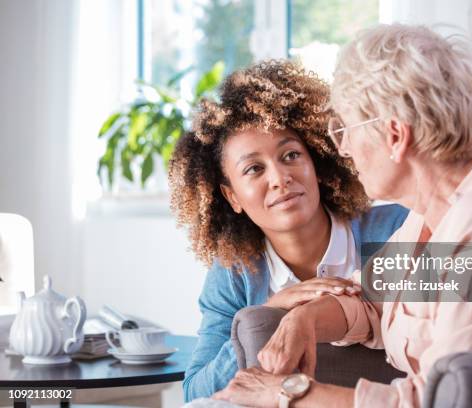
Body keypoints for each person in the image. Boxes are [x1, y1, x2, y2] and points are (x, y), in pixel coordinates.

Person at [212, 25, 472, 408]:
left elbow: (444, 400)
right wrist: (308, 318)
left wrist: (289, 394)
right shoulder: (440, 210)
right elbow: (372, 300)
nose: (345, 147)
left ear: (395, 135)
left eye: (346, 129)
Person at [168, 60, 408, 402]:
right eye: (254, 168)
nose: (280, 178)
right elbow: (196, 392)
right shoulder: (235, 275)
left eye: (291, 155)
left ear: (317, 163)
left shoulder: (396, 228)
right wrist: (271, 310)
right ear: (232, 196)